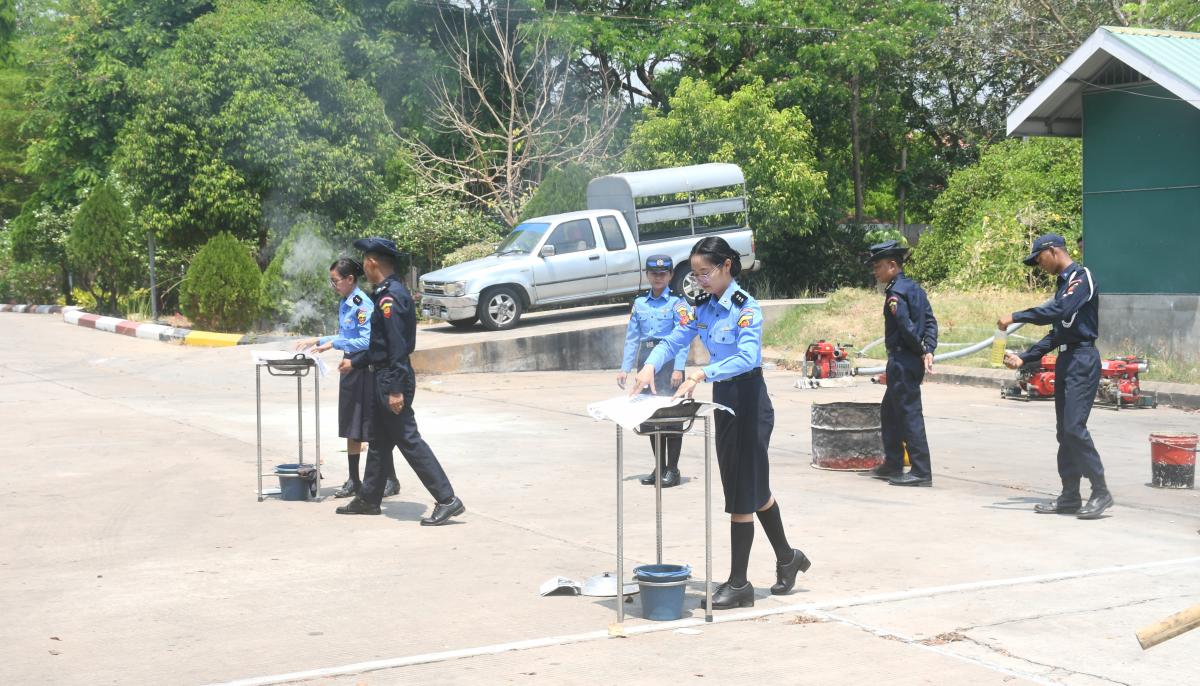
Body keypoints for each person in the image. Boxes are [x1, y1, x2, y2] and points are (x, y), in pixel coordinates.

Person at [629, 236, 810, 609]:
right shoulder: (703, 307)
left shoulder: (746, 308)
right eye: (695, 274)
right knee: (752, 486)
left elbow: (747, 357)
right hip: (724, 399)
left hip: (749, 400)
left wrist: (701, 373)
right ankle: (788, 557)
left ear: (727, 265)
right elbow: (674, 339)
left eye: (705, 272)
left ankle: (739, 583)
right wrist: (649, 365)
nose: (699, 280)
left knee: (741, 493)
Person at [334, 237, 465, 526]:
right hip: (384, 375)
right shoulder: (386, 293)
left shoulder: (390, 298)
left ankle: (447, 499)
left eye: (364, 262)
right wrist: (355, 362)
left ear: (372, 263)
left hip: (392, 379)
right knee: (379, 441)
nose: (363, 268)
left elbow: (396, 348)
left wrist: (394, 389)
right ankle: (369, 499)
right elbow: (379, 345)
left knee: (408, 439)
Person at [998, 233, 1111, 520]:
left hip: (1083, 359)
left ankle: (1101, 491)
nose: (1040, 265)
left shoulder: (1082, 278)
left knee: (1074, 427)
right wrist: (1025, 357)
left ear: (1052, 251)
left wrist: (1016, 316)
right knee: (1064, 432)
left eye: (1039, 259)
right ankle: (1070, 495)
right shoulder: (1063, 286)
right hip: (1066, 358)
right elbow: (1057, 334)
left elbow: (1059, 310)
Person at [295, 258, 399, 499]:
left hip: (366, 367)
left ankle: (390, 478)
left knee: (373, 426)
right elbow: (345, 334)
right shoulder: (345, 302)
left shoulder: (363, 304)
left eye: (336, 281)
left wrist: (333, 344)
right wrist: (318, 340)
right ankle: (354, 479)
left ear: (350, 279)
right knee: (352, 424)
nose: (333, 286)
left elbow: (366, 340)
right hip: (349, 367)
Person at [862, 240, 938, 487]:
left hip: (903, 359)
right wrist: (929, 348)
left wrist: (922, 350)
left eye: (878, 267)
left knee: (909, 415)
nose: (875, 272)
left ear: (892, 265)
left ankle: (921, 471)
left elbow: (906, 327)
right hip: (908, 359)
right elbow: (930, 321)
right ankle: (893, 463)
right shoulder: (915, 289)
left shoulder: (895, 294)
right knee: (890, 412)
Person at [617, 254, 691, 488]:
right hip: (646, 362)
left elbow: (683, 339)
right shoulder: (640, 303)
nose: (658, 278)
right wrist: (625, 368)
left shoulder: (678, 303)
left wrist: (679, 368)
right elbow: (632, 338)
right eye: (654, 274)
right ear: (647, 275)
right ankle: (659, 467)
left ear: (670, 275)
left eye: (663, 274)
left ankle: (673, 469)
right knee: (650, 418)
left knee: (672, 418)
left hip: (669, 363)